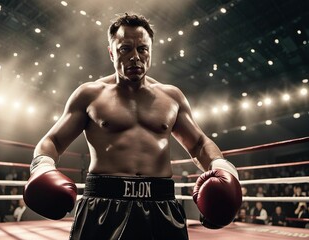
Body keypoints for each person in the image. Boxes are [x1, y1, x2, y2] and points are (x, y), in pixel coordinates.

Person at [23, 13, 242, 240]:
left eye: (142, 49)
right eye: (125, 49)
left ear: (151, 51)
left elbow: (199, 144)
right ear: (111, 53)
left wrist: (222, 167)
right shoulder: (89, 95)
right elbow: (52, 141)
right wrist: (42, 167)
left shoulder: (172, 97)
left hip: (160, 205)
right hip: (103, 206)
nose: (135, 57)